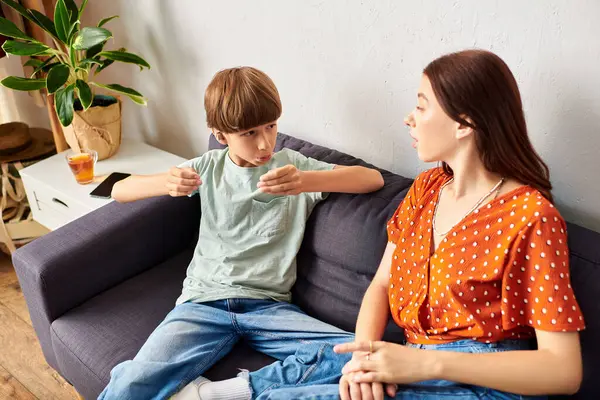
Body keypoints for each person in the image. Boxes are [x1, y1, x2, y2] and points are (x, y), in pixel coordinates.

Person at [252, 49, 586, 400]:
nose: (409, 119)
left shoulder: (532, 217)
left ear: (464, 124)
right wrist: (364, 359)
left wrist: (425, 364)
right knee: (315, 361)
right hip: (410, 359)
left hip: (485, 385)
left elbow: (563, 370)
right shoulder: (427, 188)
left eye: (422, 106)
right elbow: (381, 284)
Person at [98, 66, 384, 399]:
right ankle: (144, 375)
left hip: (269, 308)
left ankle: (227, 391)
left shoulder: (294, 166)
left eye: (271, 126)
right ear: (221, 135)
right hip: (203, 303)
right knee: (131, 386)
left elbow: (372, 180)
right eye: (249, 133)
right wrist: (167, 182)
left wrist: (306, 181)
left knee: (362, 356)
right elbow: (119, 189)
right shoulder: (208, 167)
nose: (265, 142)